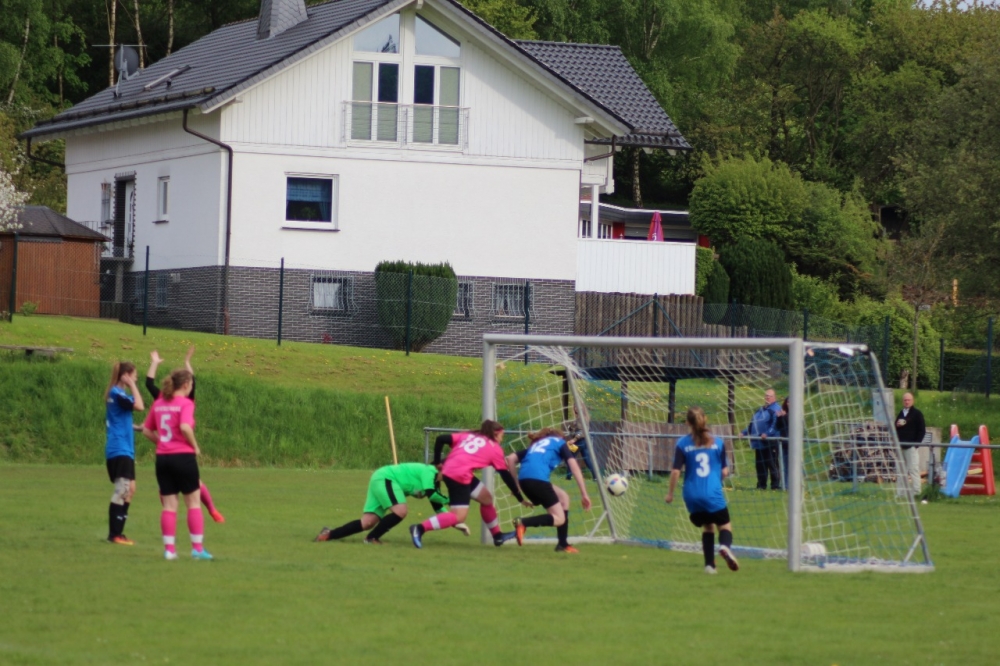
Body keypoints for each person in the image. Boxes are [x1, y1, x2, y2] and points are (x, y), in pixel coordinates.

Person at [412, 420, 530, 548]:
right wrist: (520, 498)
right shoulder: (495, 449)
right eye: (502, 436)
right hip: (459, 475)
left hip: (453, 469)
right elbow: (505, 475)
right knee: (458, 517)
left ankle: (497, 536)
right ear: (495, 434)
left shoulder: (469, 435)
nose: (502, 439)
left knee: (486, 499)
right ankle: (419, 528)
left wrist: (437, 462)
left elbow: (441, 439)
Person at [146, 348, 224, 523]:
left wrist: (156, 363)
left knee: (176, 489)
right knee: (193, 487)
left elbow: (149, 384)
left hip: (168, 453)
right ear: (183, 386)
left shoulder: (169, 400)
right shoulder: (178, 400)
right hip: (179, 451)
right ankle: (210, 511)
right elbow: (190, 382)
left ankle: (211, 510)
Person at [142, 369, 213, 561]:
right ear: (186, 385)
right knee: (193, 503)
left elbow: (147, 430)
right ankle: (197, 549)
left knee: (169, 506)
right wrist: (195, 446)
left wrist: (162, 443)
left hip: (162, 459)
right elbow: (185, 426)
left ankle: (169, 551)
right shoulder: (186, 403)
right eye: (191, 384)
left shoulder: (159, 403)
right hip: (183, 457)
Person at [666, 407, 739, 574]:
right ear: (705, 419)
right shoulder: (717, 442)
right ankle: (725, 547)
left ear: (687, 423)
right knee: (724, 525)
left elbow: (676, 471)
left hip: (691, 495)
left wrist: (670, 494)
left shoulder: (682, 443)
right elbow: (725, 471)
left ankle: (709, 566)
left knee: (707, 526)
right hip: (712, 493)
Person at [314, 462, 457, 544]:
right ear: (441, 467)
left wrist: (455, 520)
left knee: (367, 522)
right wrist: (452, 500)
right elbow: (432, 495)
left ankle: (328, 534)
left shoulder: (435, 483)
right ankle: (371, 538)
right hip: (385, 478)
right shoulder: (429, 472)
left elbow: (438, 506)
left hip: (382, 479)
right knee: (401, 511)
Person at [506, 428, 592, 553]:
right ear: (560, 437)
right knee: (559, 519)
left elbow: (510, 458)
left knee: (563, 497)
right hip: (538, 481)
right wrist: (584, 494)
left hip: (525, 481)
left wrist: (516, 485)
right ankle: (523, 522)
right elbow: (574, 467)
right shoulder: (559, 443)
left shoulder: (536, 446)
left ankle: (562, 544)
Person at [104, 361, 145, 545]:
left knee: (130, 490)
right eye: (134, 376)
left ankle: (119, 533)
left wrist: (137, 428)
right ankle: (114, 535)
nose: (136, 379)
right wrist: (133, 385)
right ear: (126, 375)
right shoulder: (117, 393)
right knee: (122, 489)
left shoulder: (116, 394)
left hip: (124, 448)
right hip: (119, 449)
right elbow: (140, 406)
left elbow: (118, 420)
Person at [742, 388, 782, 490]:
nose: (767, 397)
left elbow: (776, 425)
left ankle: (775, 486)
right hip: (759, 442)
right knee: (760, 465)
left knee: (772, 464)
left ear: (774, 397)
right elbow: (752, 424)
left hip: (770, 442)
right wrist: (744, 432)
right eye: (766, 395)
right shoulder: (760, 409)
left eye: (769, 396)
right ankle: (761, 485)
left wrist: (767, 434)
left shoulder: (776, 409)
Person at [894, 392, 926, 494]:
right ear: (902, 401)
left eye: (909, 400)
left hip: (911, 447)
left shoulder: (917, 414)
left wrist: (916, 444)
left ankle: (916, 492)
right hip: (901, 446)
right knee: (900, 471)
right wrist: (897, 425)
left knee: (913, 470)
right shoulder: (901, 413)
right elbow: (895, 427)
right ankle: (900, 493)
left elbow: (922, 430)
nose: (907, 402)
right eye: (905, 400)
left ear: (912, 401)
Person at [775, 397, 790, 490]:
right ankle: (785, 485)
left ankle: (792, 484)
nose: (789, 404)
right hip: (784, 444)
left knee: (793, 465)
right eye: (788, 402)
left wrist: (784, 416)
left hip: (793, 444)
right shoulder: (784, 413)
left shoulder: (796, 414)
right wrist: (779, 417)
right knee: (784, 465)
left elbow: (792, 424)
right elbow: (778, 427)